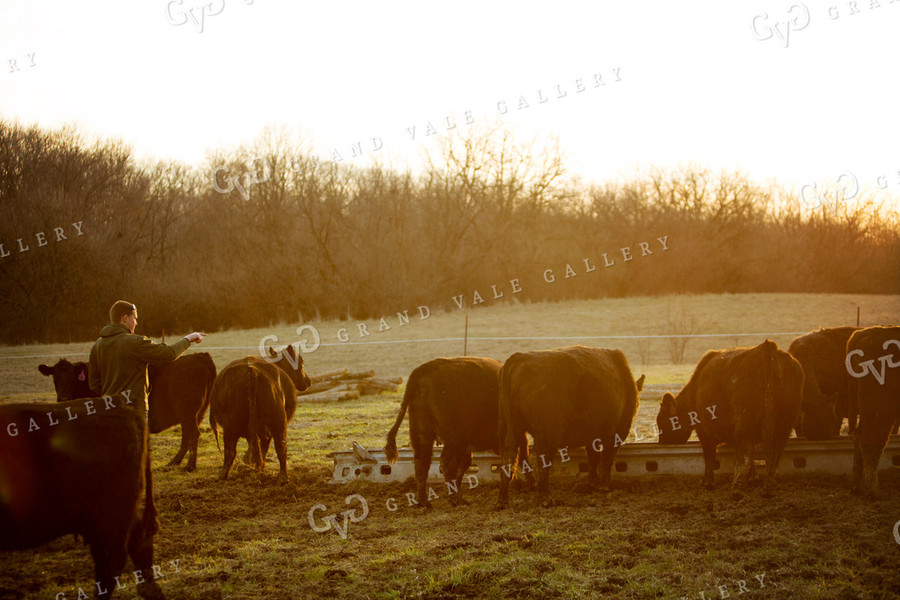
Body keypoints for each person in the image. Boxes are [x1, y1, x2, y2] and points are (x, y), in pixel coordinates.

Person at [89, 300, 206, 413]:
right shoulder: (134, 342)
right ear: (125, 318)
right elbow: (169, 354)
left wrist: (112, 398)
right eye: (134, 318)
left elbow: (94, 384)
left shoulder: (97, 346)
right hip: (133, 409)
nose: (136, 322)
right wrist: (189, 338)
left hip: (108, 409)